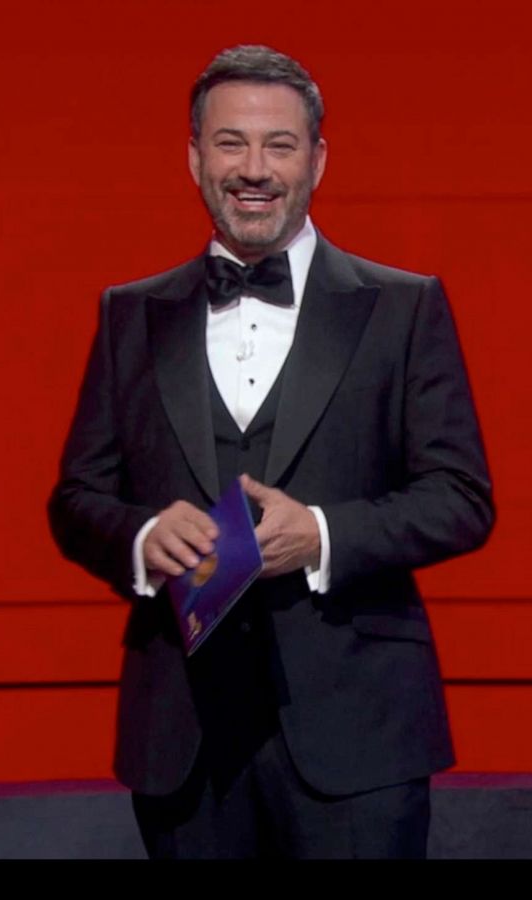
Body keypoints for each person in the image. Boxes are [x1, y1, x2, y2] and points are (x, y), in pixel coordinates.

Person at [47, 44, 493, 859]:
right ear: (193, 157)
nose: (254, 168)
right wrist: (144, 540)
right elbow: (76, 500)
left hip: (359, 735)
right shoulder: (129, 315)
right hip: (182, 739)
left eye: (278, 145)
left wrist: (322, 534)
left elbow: (461, 497)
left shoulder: (403, 308)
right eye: (230, 143)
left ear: (317, 160)